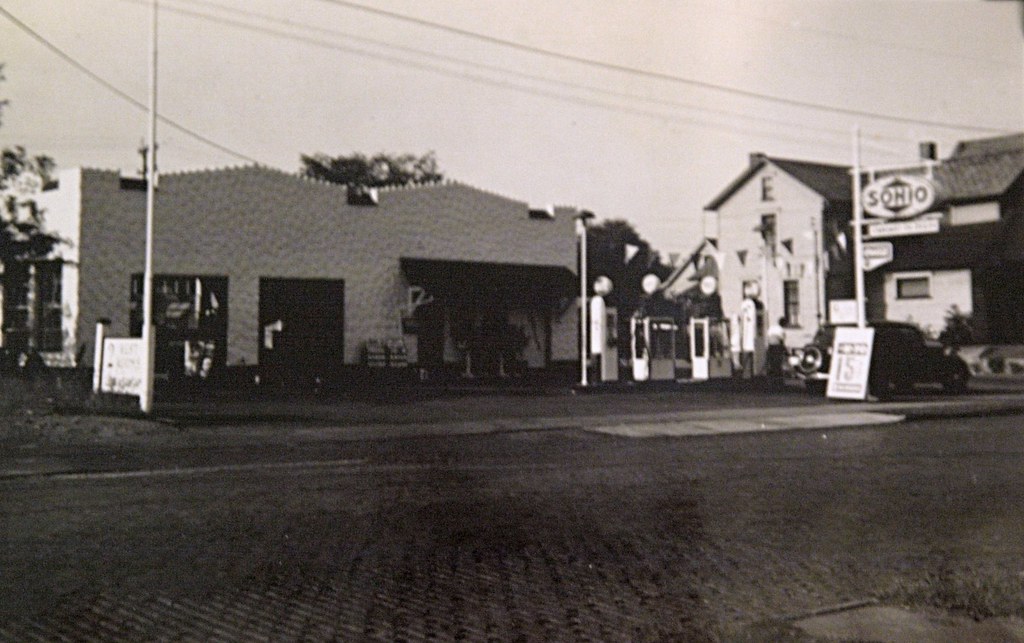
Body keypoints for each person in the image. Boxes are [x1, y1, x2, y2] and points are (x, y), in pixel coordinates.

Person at [766, 317, 788, 389]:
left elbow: (768, 337)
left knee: (771, 364)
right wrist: (786, 351)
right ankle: (778, 382)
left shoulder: (772, 328)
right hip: (777, 347)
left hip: (770, 347)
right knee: (777, 365)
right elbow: (782, 341)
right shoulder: (781, 330)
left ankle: (770, 381)